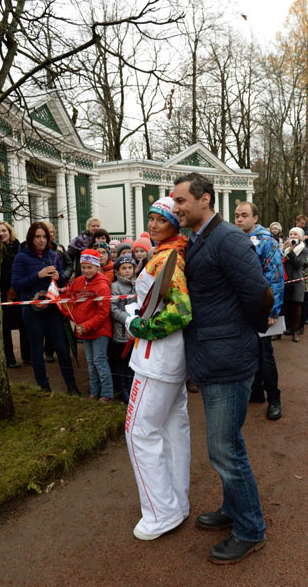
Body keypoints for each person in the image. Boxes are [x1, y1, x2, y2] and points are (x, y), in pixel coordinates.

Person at [172, 173, 273, 565]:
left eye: (181, 200)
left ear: (205, 200)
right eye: (174, 201)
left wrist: (245, 333)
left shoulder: (228, 238)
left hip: (228, 359)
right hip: (216, 357)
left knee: (224, 449)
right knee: (228, 443)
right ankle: (234, 510)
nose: (176, 207)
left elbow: (259, 293)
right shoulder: (201, 238)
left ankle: (250, 529)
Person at [124, 196, 192, 541]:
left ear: (174, 225)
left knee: (139, 432)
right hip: (168, 358)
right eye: (151, 218)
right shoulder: (168, 253)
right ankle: (176, 503)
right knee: (172, 428)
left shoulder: (168, 258)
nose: (153, 225)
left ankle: (160, 512)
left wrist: (138, 326)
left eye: (161, 220)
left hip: (156, 357)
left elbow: (180, 312)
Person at [12, 222, 80, 395]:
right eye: (37, 237)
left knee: (62, 349)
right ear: (31, 238)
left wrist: (60, 277)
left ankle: (72, 385)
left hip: (52, 309)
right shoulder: (22, 257)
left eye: (44, 237)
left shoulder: (54, 255)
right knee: (37, 349)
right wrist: (38, 275)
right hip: (32, 310)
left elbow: (61, 282)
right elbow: (16, 284)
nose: (42, 240)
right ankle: (43, 386)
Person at [235, 202, 284, 421]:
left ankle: (274, 398)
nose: (239, 219)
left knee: (265, 355)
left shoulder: (267, 242)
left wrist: (272, 310)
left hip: (262, 309)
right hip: (240, 309)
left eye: (244, 215)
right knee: (247, 351)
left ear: (255, 218)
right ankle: (255, 393)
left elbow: (275, 277)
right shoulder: (234, 239)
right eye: (236, 216)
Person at [66, 249, 114, 403]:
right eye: (83, 267)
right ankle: (94, 391)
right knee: (91, 362)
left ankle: (107, 394)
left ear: (97, 266)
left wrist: (86, 325)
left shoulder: (102, 286)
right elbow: (70, 299)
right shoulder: (79, 281)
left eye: (90, 267)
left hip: (99, 330)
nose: (86, 270)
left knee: (100, 361)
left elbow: (103, 313)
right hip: (84, 330)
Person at [0, 221, 30, 368]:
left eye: (4, 231)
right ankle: (9, 358)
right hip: (3, 292)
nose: (2, 234)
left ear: (9, 232)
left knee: (23, 324)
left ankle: (27, 356)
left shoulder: (18, 248)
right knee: (5, 327)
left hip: (19, 290)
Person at [43, 221, 73, 363]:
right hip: (44, 290)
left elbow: (69, 265)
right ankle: (48, 350)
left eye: (52, 232)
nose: (51, 235)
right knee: (49, 321)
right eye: (48, 232)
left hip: (60, 287)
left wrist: (63, 276)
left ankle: (65, 349)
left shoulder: (59, 248)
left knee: (62, 319)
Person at [109, 255, 136, 403]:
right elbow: (113, 309)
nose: (127, 271)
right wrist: (128, 319)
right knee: (121, 363)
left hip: (135, 332)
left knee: (132, 363)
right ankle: (122, 390)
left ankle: (132, 388)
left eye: (130, 268)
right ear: (118, 270)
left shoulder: (138, 284)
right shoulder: (115, 287)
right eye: (124, 268)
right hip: (121, 332)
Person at [282, 227, 308, 342]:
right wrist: (283, 249)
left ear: (300, 237)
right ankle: (280, 331)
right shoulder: (284, 247)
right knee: (283, 307)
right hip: (284, 281)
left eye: (295, 234)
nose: (293, 236)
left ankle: (295, 332)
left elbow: (298, 264)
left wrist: (291, 251)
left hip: (297, 282)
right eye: (291, 234)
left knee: (296, 307)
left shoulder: (304, 249)